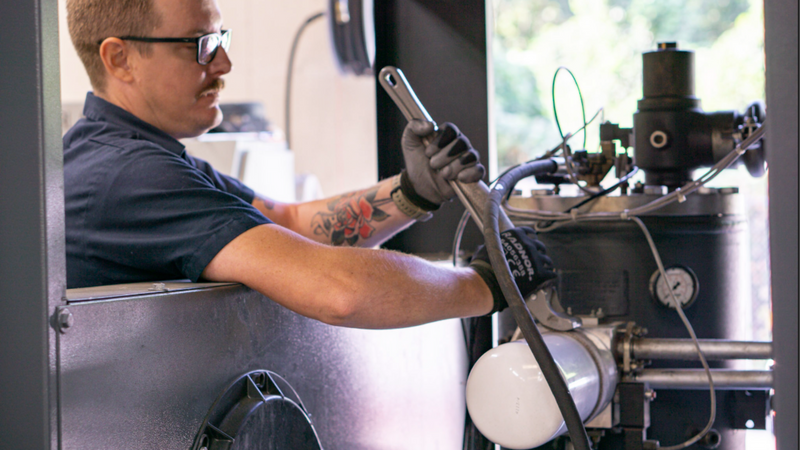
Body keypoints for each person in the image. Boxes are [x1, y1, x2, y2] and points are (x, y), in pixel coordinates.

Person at [63, 0, 556, 329]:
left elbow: (286, 224)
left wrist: (411, 191)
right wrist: (487, 285)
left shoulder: (135, 153)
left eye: (220, 39)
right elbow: (337, 290)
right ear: (120, 59)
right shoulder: (127, 176)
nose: (224, 65)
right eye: (201, 46)